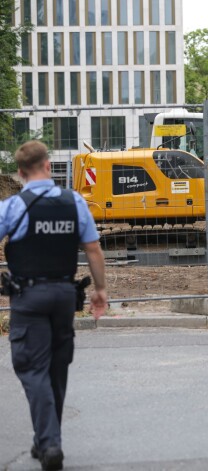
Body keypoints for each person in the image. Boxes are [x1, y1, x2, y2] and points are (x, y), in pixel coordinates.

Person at [2, 141, 107, 471]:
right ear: (48, 166)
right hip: (64, 295)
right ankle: (44, 440)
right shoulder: (74, 201)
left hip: (29, 297)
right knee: (56, 368)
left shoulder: (14, 206)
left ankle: (50, 444)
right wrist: (100, 290)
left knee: (33, 368)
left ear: (20, 174)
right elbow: (93, 249)